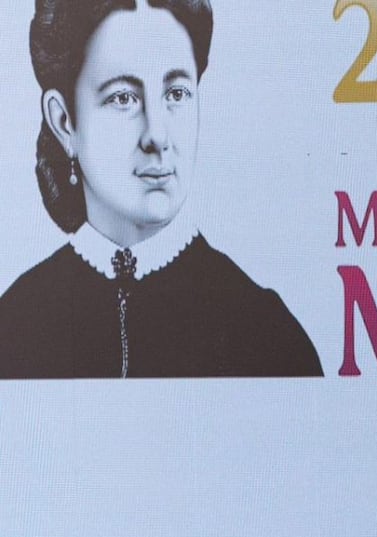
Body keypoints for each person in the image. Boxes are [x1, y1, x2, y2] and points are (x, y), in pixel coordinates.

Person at [0, 0, 322, 378]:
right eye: (123, 98)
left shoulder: (267, 334)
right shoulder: (15, 325)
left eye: (176, 94)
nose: (157, 135)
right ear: (64, 121)